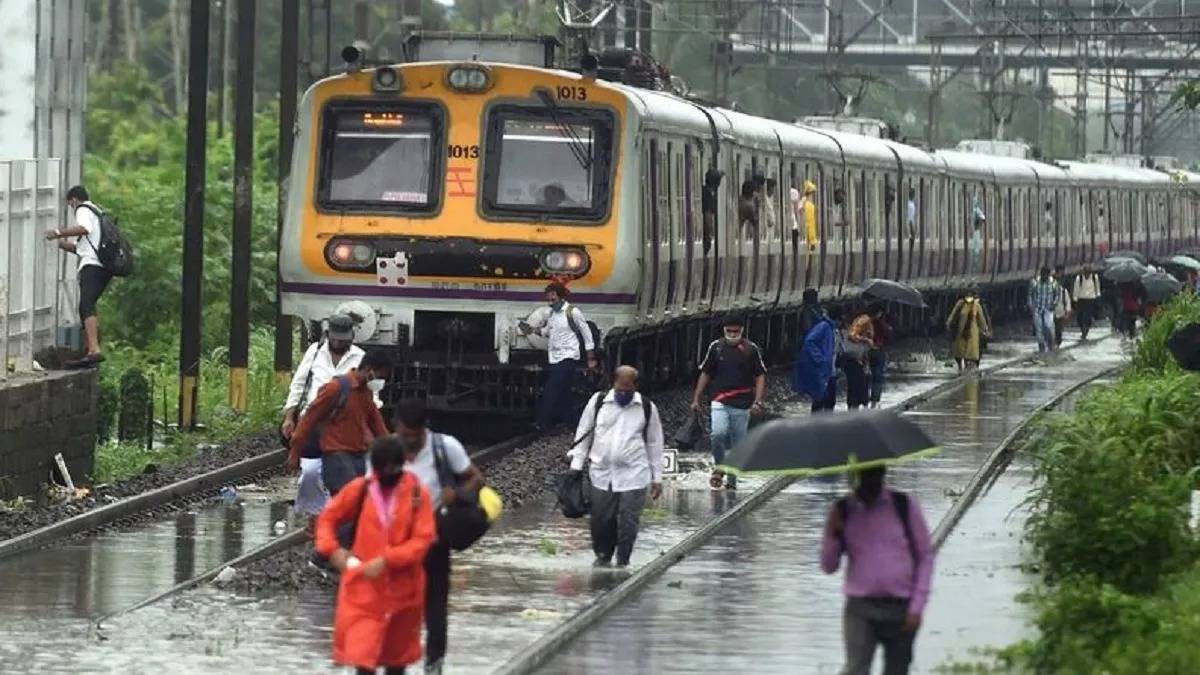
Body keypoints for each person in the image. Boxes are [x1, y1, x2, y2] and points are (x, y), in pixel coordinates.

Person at [316, 436, 436, 675]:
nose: (387, 475)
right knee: (362, 655)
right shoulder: (361, 489)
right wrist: (333, 550)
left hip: (404, 590)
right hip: (364, 589)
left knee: (396, 660)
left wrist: (388, 560)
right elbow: (327, 519)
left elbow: (423, 540)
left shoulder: (416, 495)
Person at [391, 398, 485, 675]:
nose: (410, 441)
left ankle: (434, 664)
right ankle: (396, 663)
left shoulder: (445, 447)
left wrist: (457, 494)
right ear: (396, 427)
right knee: (397, 606)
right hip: (397, 543)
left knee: (435, 606)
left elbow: (476, 478)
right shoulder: (385, 451)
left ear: (425, 428)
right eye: (405, 435)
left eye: (416, 436)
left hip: (434, 539)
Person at [821, 466, 934, 675]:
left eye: (872, 476)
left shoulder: (903, 505)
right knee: (855, 669)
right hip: (860, 608)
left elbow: (925, 556)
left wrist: (916, 606)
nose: (867, 483)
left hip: (901, 607)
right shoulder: (844, 510)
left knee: (897, 669)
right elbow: (829, 566)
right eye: (862, 477)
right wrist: (832, 534)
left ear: (882, 475)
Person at [569, 366, 664, 568]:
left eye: (627, 390)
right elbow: (583, 433)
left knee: (628, 522)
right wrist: (576, 466)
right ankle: (603, 557)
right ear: (613, 383)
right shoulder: (598, 402)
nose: (623, 394)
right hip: (601, 473)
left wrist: (657, 478)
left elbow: (655, 443)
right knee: (601, 520)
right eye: (620, 389)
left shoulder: (646, 407)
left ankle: (622, 562)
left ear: (635, 387)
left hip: (634, 474)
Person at [281, 315, 365, 518]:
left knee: (343, 473)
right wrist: (289, 416)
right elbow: (298, 385)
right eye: (336, 339)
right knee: (310, 472)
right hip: (313, 421)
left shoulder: (360, 357)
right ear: (328, 335)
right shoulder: (315, 352)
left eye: (344, 340)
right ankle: (314, 512)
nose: (340, 344)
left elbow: (370, 396)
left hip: (343, 426)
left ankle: (338, 514)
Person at [289, 349, 393, 496]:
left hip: (358, 456)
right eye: (381, 376)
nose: (381, 382)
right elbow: (308, 419)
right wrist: (295, 452)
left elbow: (376, 422)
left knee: (357, 500)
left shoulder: (366, 392)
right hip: (336, 456)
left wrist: (392, 448)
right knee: (349, 499)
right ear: (370, 370)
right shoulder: (335, 388)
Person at [692, 315, 767, 491]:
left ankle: (732, 482)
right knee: (717, 434)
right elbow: (705, 373)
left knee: (737, 443)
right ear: (724, 331)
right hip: (719, 400)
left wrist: (758, 401)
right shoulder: (716, 347)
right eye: (729, 331)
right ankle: (719, 468)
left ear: (742, 331)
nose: (733, 334)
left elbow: (760, 375)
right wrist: (696, 398)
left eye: (736, 331)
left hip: (743, 404)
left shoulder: (750, 349)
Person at [44, 185, 111, 368]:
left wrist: (58, 232)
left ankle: (94, 349)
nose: (72, 208)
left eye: (70, 204)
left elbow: (84, 229)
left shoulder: (83, 209)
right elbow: (81, 249)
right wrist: (60, 243)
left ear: (74, 200)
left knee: (86, 304)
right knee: (87, 306)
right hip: (102, 266)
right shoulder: (97, 211)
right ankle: (91, 350)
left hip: (93, 266)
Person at [525, 283, 597, 431]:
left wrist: (591, 357)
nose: (551, 302)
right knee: (564, 393)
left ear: (561, 297)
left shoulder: (573, 312)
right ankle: (573, 424)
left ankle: (543, 424)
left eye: (553, 299)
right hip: (555, 357)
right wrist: (531, 330)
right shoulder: (552, 314)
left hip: (568, 357)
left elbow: (587, 334)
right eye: (549, 300)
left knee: (551, 390)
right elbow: (546, 332)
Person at [793, 301, 840, 413]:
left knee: (829, 400)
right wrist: (820, 359)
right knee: (820, 399)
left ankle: (826, 422)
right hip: (824, 370)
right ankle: (817, 422)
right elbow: (809, 342)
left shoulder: (832, 328)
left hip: (831, 370)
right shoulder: (824, 326)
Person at [946, 291, 991, 371]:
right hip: (960, 331)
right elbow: (953, 315)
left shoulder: (976, 305)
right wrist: (949, 324)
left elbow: (981, 319)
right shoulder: (960, 304)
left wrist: (985, 329)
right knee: (959, 350)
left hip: (972, 332)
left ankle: (967, 365)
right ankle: (960, 366)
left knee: (969, 351)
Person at [845, 306, 876, 409]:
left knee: (860, 384)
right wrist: (865, 339)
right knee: (857, 384)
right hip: (855, 358)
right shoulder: (864, 320)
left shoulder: (865, 321)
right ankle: (855, 406)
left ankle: (856, 405)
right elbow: (852, 335)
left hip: (860, 358)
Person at [1028, 267, 1059, 353]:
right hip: (1037, 309)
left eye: (1046, 275)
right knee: (1039, 328)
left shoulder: (1053, 282)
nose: (1044, 276)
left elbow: (1057, 294)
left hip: (1048, 309)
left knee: (1048, 326)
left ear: (1048, 275)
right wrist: (1031, 306)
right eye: (1043, 275)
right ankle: (1041, 345)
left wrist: (1054, 304)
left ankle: (1050, 342)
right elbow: (1030, 294)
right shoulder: (1035, 282)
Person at [867, 306, 891, 409]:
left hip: (867, 350)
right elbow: (888, 333)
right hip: (878, 350)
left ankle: (867, 399)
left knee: (869, 375)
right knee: (878, 376)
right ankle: (874, 400)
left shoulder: (866, 323)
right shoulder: (880, 323)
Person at [1072, 266, 1101, 340]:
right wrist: (1075, 300)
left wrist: (1098, 297)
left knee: (1088, 316)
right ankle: (1082, 329)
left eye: (1088, 273)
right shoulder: (1079, 278)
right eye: (1086, 273)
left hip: (1091, 299)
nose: (1087, 275)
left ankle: (1086, 330)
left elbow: (1097, 288)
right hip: (1081, 299)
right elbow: (1076, 289)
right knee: (1079, 317)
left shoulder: (1094, 277)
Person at [1052, 264, 1072, 348]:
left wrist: (1067, 313)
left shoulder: (1063, 291)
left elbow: (1067, 302)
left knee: (1058, 331)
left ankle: (1057, 344)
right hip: (1050, 313)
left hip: (1060, 313)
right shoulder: (1049, 290)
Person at [801, 180, 819, 247]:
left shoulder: (803, 202)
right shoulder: (808, 205)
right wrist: (812, 241)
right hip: (808, 239)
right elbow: (810, 223)